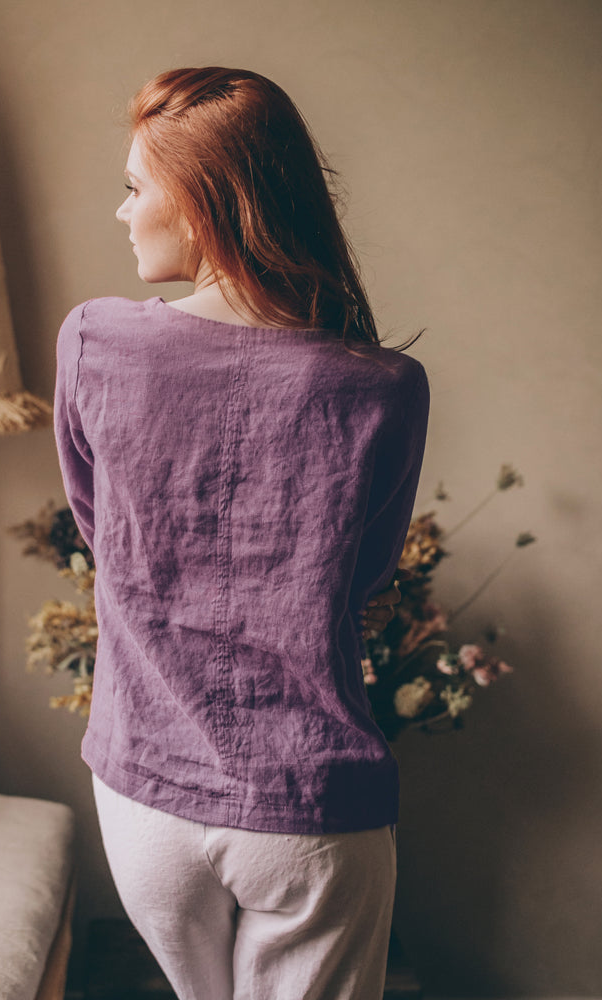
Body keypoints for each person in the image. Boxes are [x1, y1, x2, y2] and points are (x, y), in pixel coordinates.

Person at [54, 67, 429, 1000]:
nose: (121, 211)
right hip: (311, 809)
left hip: (145, 796)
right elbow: (364, 574)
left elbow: (102, 535)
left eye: (137, 188)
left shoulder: (94, 342)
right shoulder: (381, 386)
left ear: (201, 201)